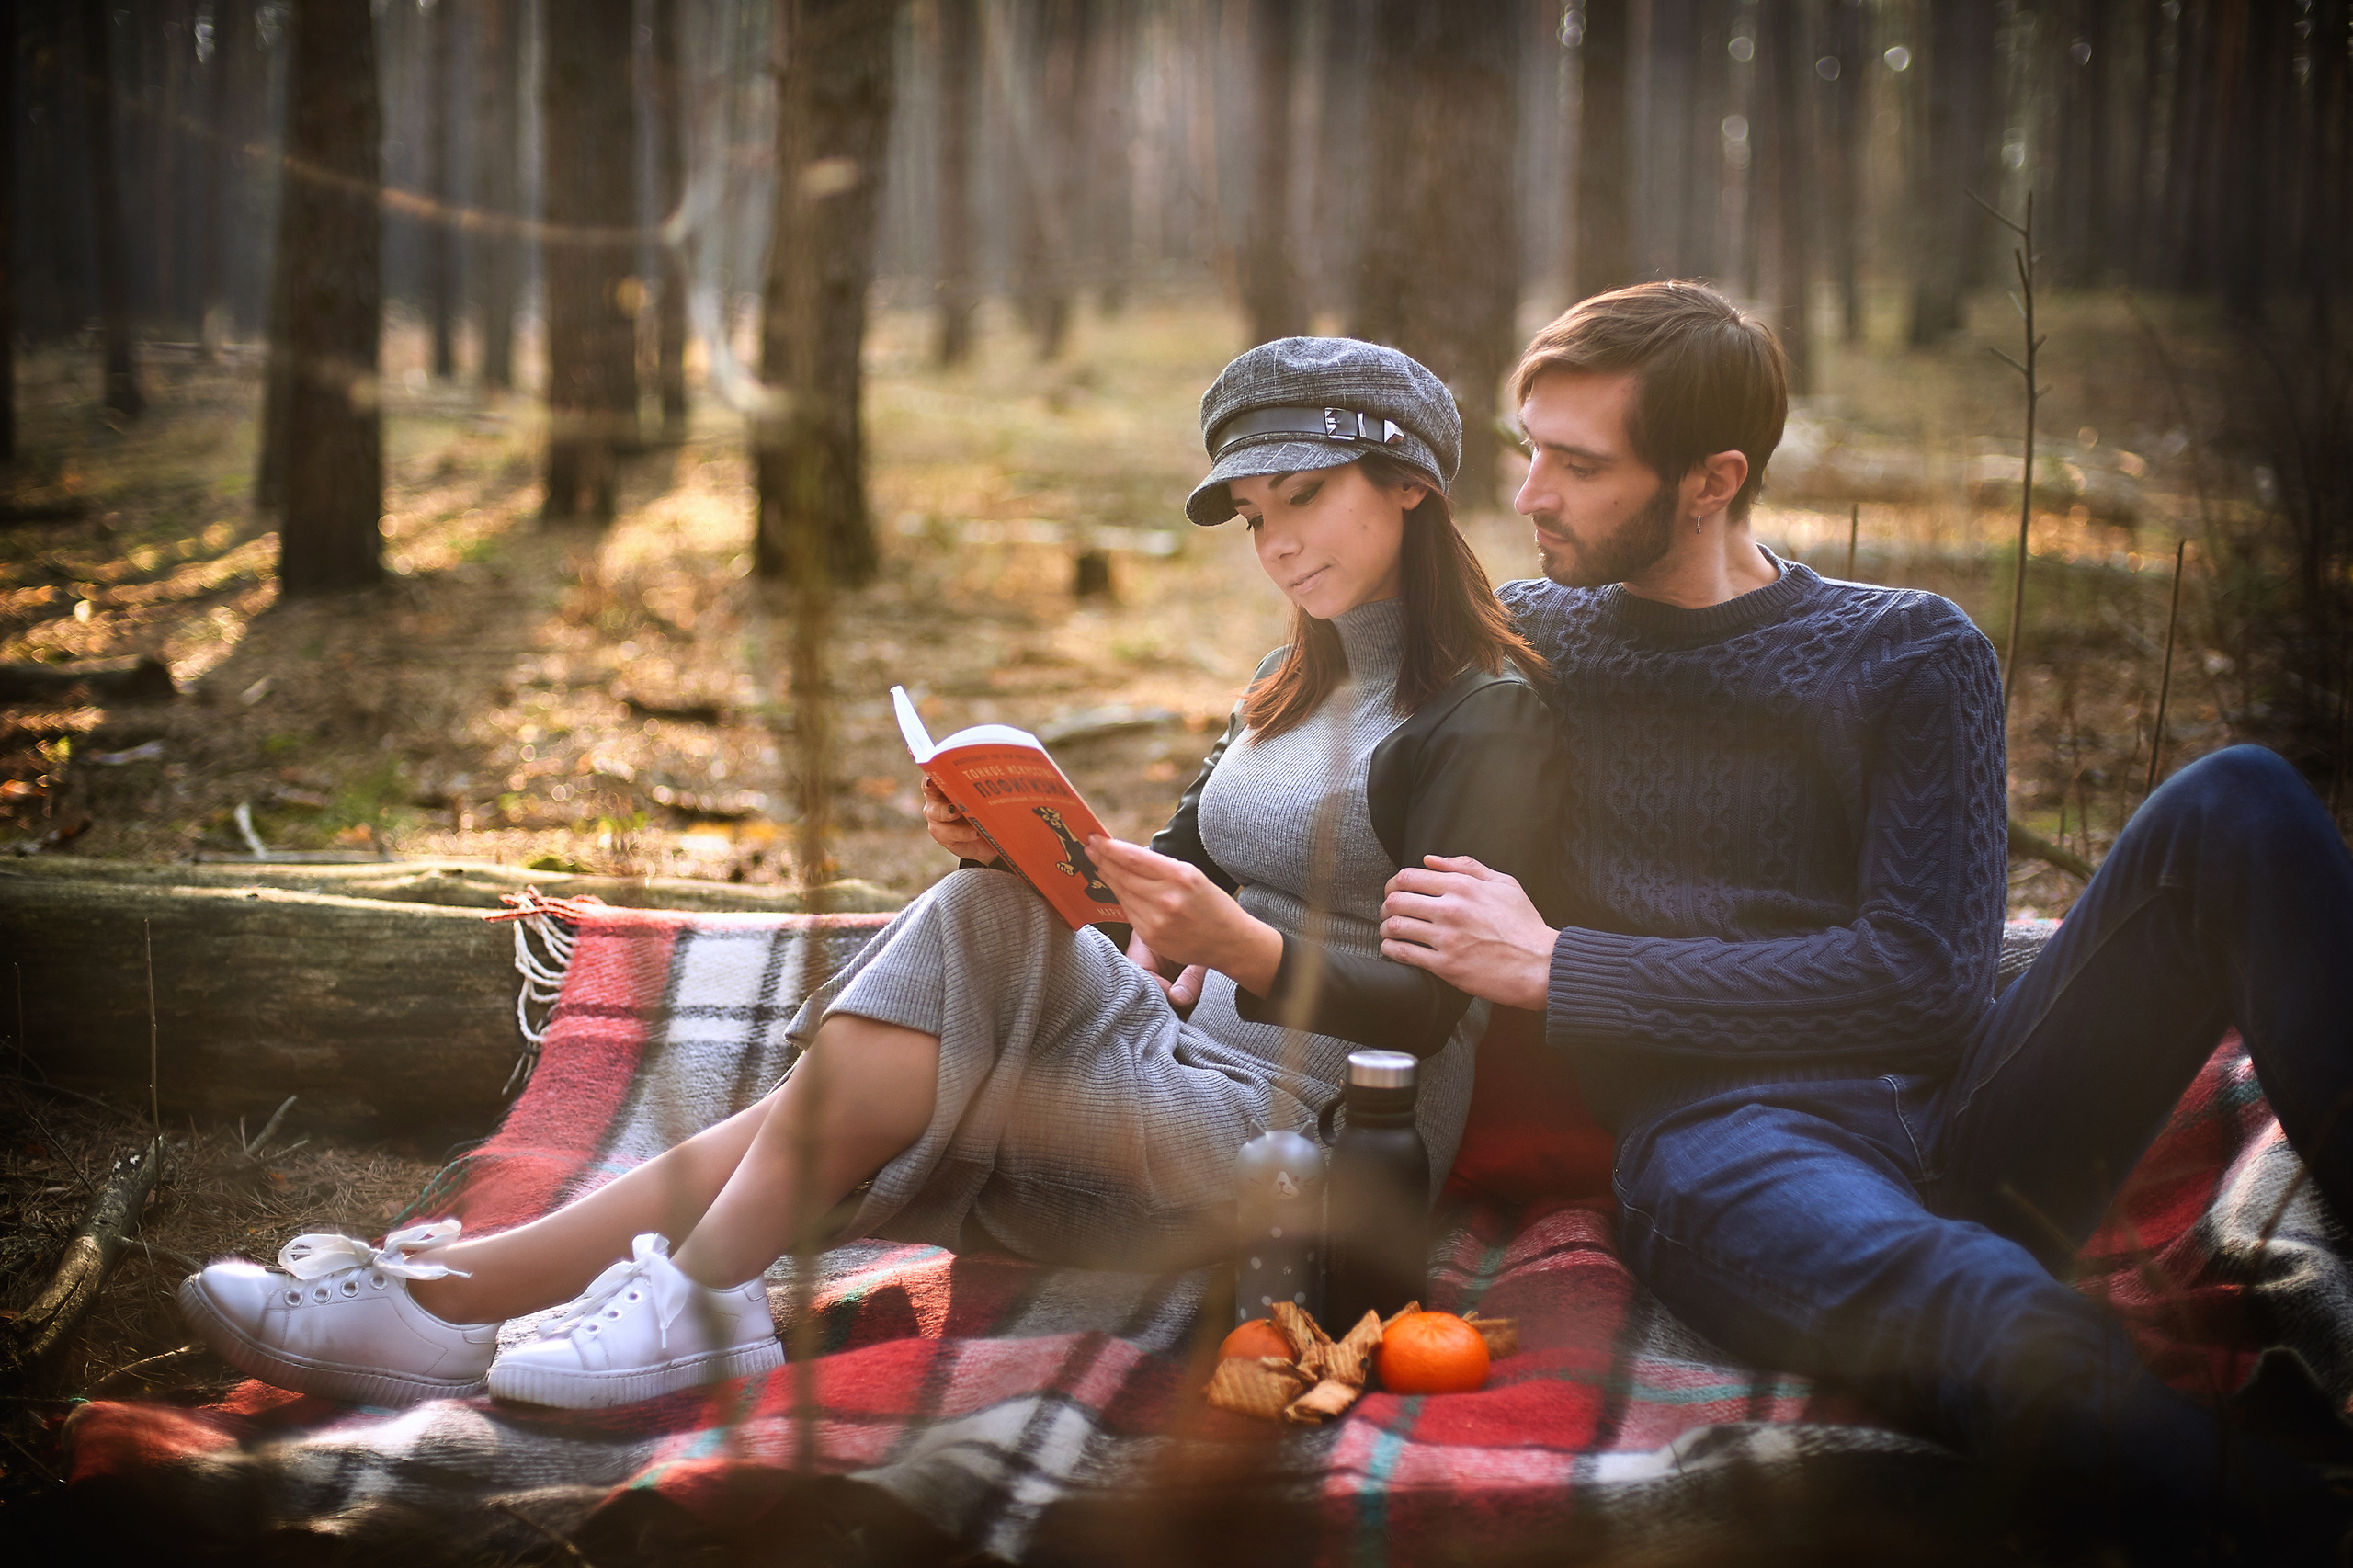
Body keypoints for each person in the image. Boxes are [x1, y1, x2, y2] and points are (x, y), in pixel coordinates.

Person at [176, 336, 1566, 1411]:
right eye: (1254, 515)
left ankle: (493, 1297)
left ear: (1413, 484)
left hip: (1311, 1139)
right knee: (975, 915)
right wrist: (1030, 848)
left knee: (922, 1015)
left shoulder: (1477, 716)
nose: (1277, 544)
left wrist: (1242, 948)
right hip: (1172, 1060)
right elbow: (1165, 871)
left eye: (1304, 498)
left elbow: (1436, 1007)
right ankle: (513, 1298)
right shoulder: (1288, 681)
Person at [1376, 279, 2353, 1555]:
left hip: (1985, 1107)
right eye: (1529, 449)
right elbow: (1319, 726)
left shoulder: (1906, 652)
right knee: (1987, 1310)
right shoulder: (1530, 641)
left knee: (2239, 800)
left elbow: (1926, 984)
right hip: (1727, 1137)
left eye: (1580, 464)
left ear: (1712, 480)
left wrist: (1569, 968)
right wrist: (1197, 909)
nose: (1531, 494)